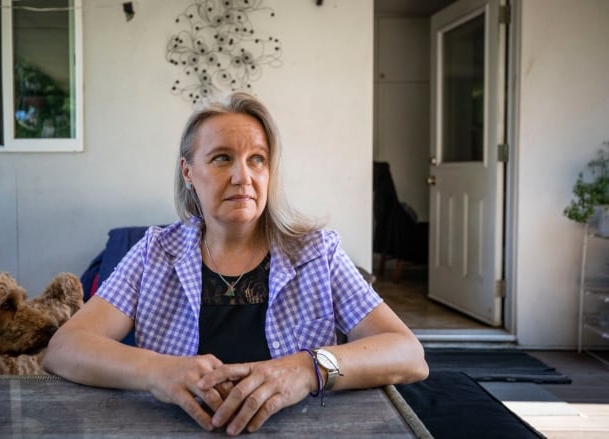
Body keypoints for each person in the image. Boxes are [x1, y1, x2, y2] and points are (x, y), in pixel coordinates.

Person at [43, 91, 428, 436]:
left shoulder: (317, 253)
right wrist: (157, 371)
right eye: (222, 158)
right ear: (188, 172)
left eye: (257, 159)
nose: (242, 176)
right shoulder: (154, 252)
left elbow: (408, 354)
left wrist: (307, 368)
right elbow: (64, 348)